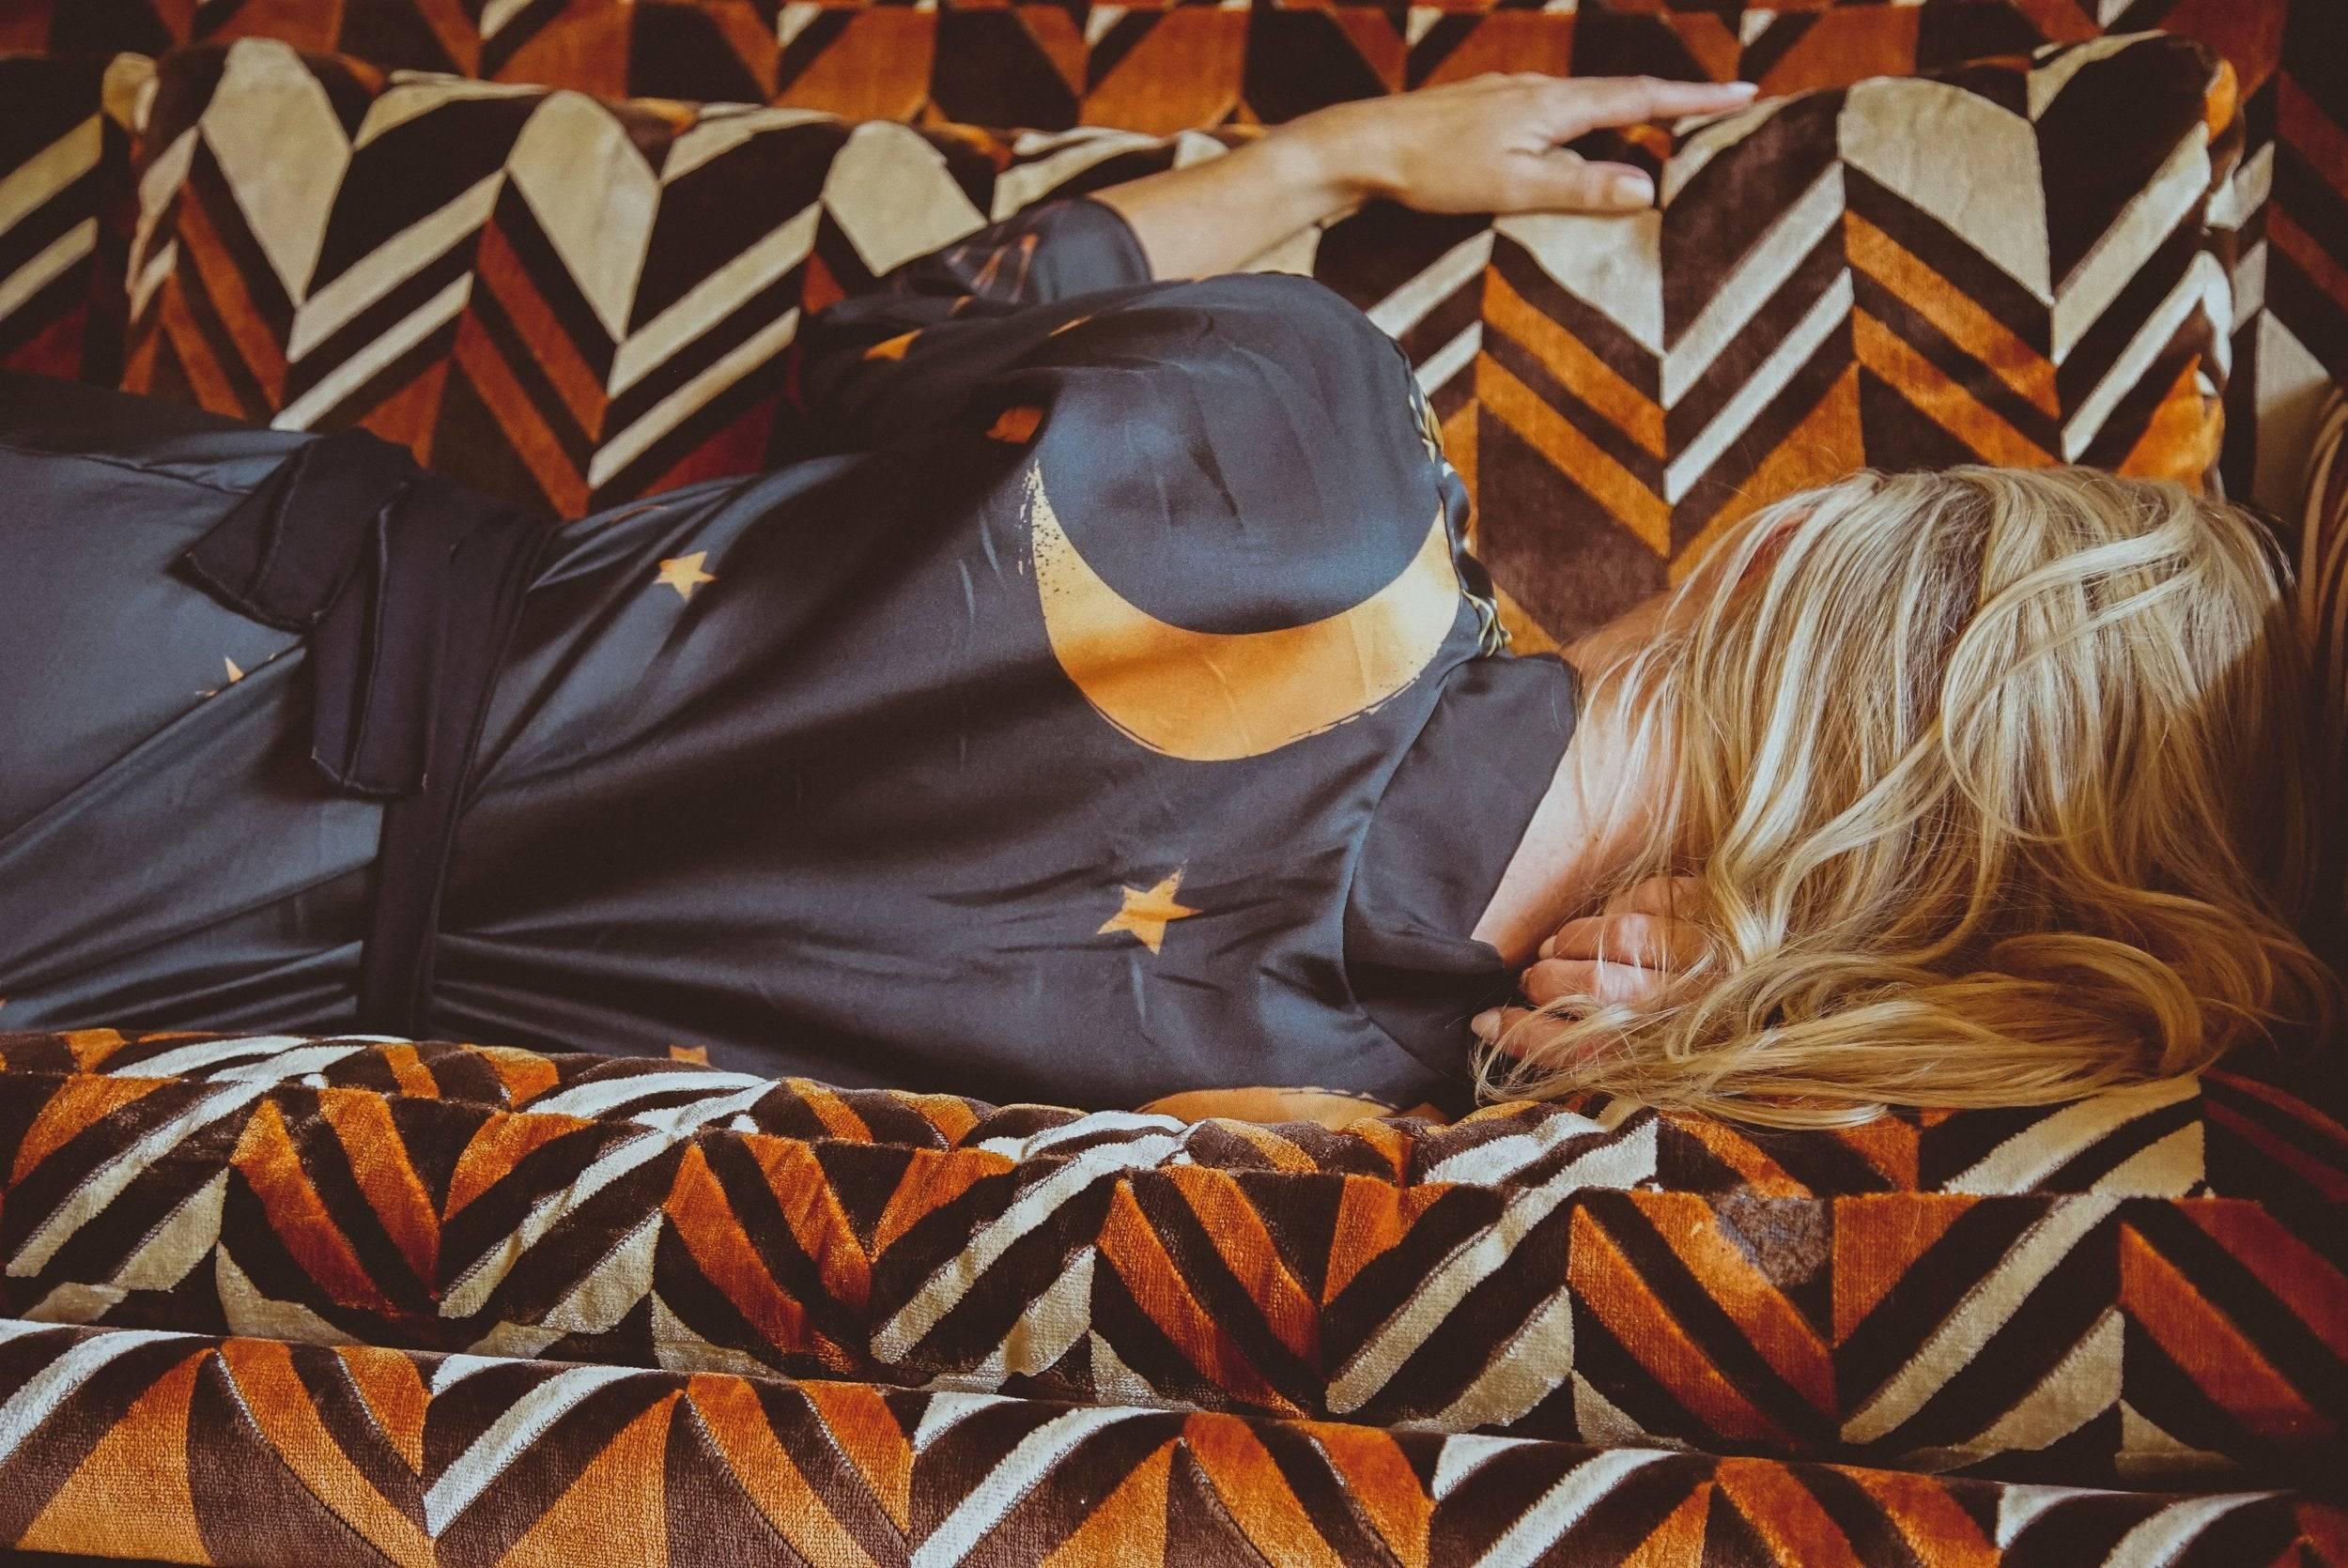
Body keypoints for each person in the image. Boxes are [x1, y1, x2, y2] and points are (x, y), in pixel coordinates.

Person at [0, 74, 2328, 1126]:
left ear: (1815, 563)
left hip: (190, 645)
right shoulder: (1396, 1095)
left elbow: (866, 368)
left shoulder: (1314, 438)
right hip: (218, 983)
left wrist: (1302, 173)